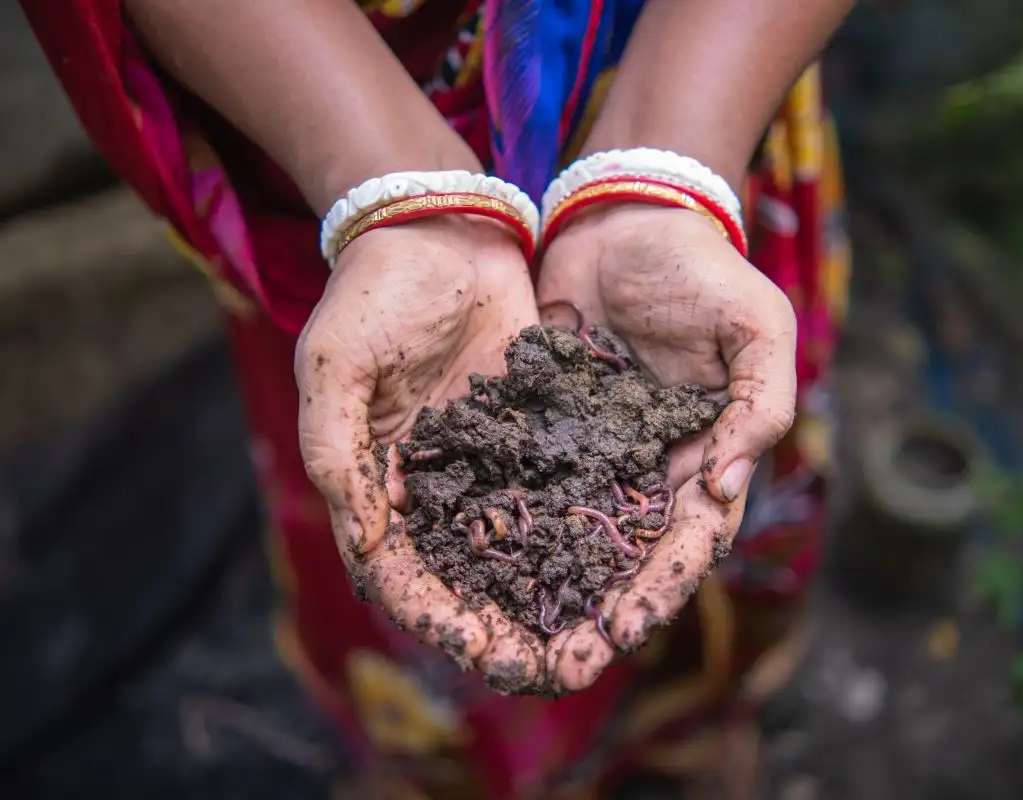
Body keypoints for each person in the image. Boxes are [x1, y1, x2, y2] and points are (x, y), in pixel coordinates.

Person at [21, 0, 855, 795]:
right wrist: (391, 188)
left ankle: (687, 730)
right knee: (375, 506)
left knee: (729, 493)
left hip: (713, 97)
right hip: (324, 161)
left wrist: (666, 160)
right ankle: (443, 779)